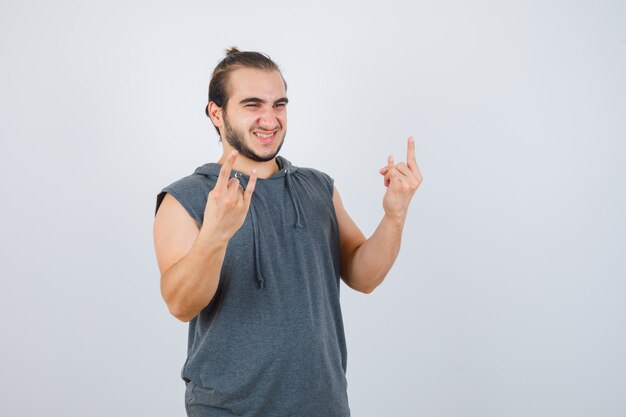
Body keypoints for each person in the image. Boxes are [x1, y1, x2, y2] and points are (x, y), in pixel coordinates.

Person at [153, 47, 422, 417]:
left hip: (323, 405)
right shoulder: (187, 198)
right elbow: (180, 305)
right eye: (252, 105)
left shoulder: (317, 187)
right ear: (216, 113)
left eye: (279, 104)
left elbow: (364, 276)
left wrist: (395, 215)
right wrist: (215, 234)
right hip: (228, 410)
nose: (270, 119)